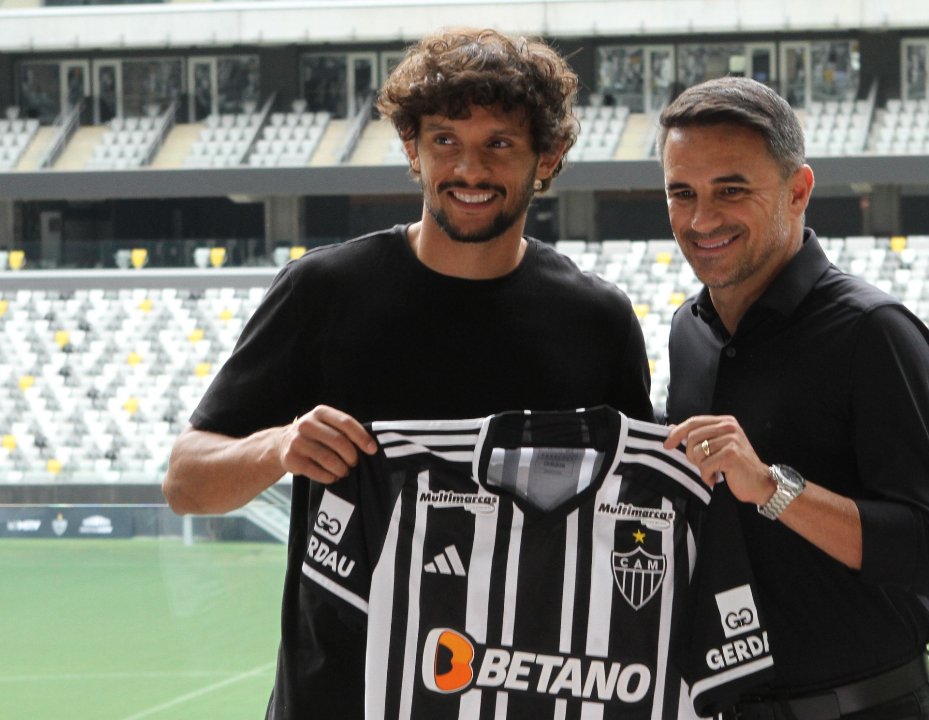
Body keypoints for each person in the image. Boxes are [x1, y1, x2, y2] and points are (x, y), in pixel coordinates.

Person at [162, 28, 654, 720]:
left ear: (548, 158)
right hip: (337, 701)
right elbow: (187, 481)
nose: (470, 169)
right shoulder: (323, 290)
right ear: (412, 152)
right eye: (445, 140)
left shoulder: (595, 317)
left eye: (500, 144)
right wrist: (278, 447)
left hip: (516, 699)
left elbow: (634, 520)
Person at [658, 76, 929, 719]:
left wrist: (771, 486)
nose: (701, 219)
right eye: (681, 193)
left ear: (798, 191)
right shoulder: (688, 331)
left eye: (731, 190)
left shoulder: (874, 333)